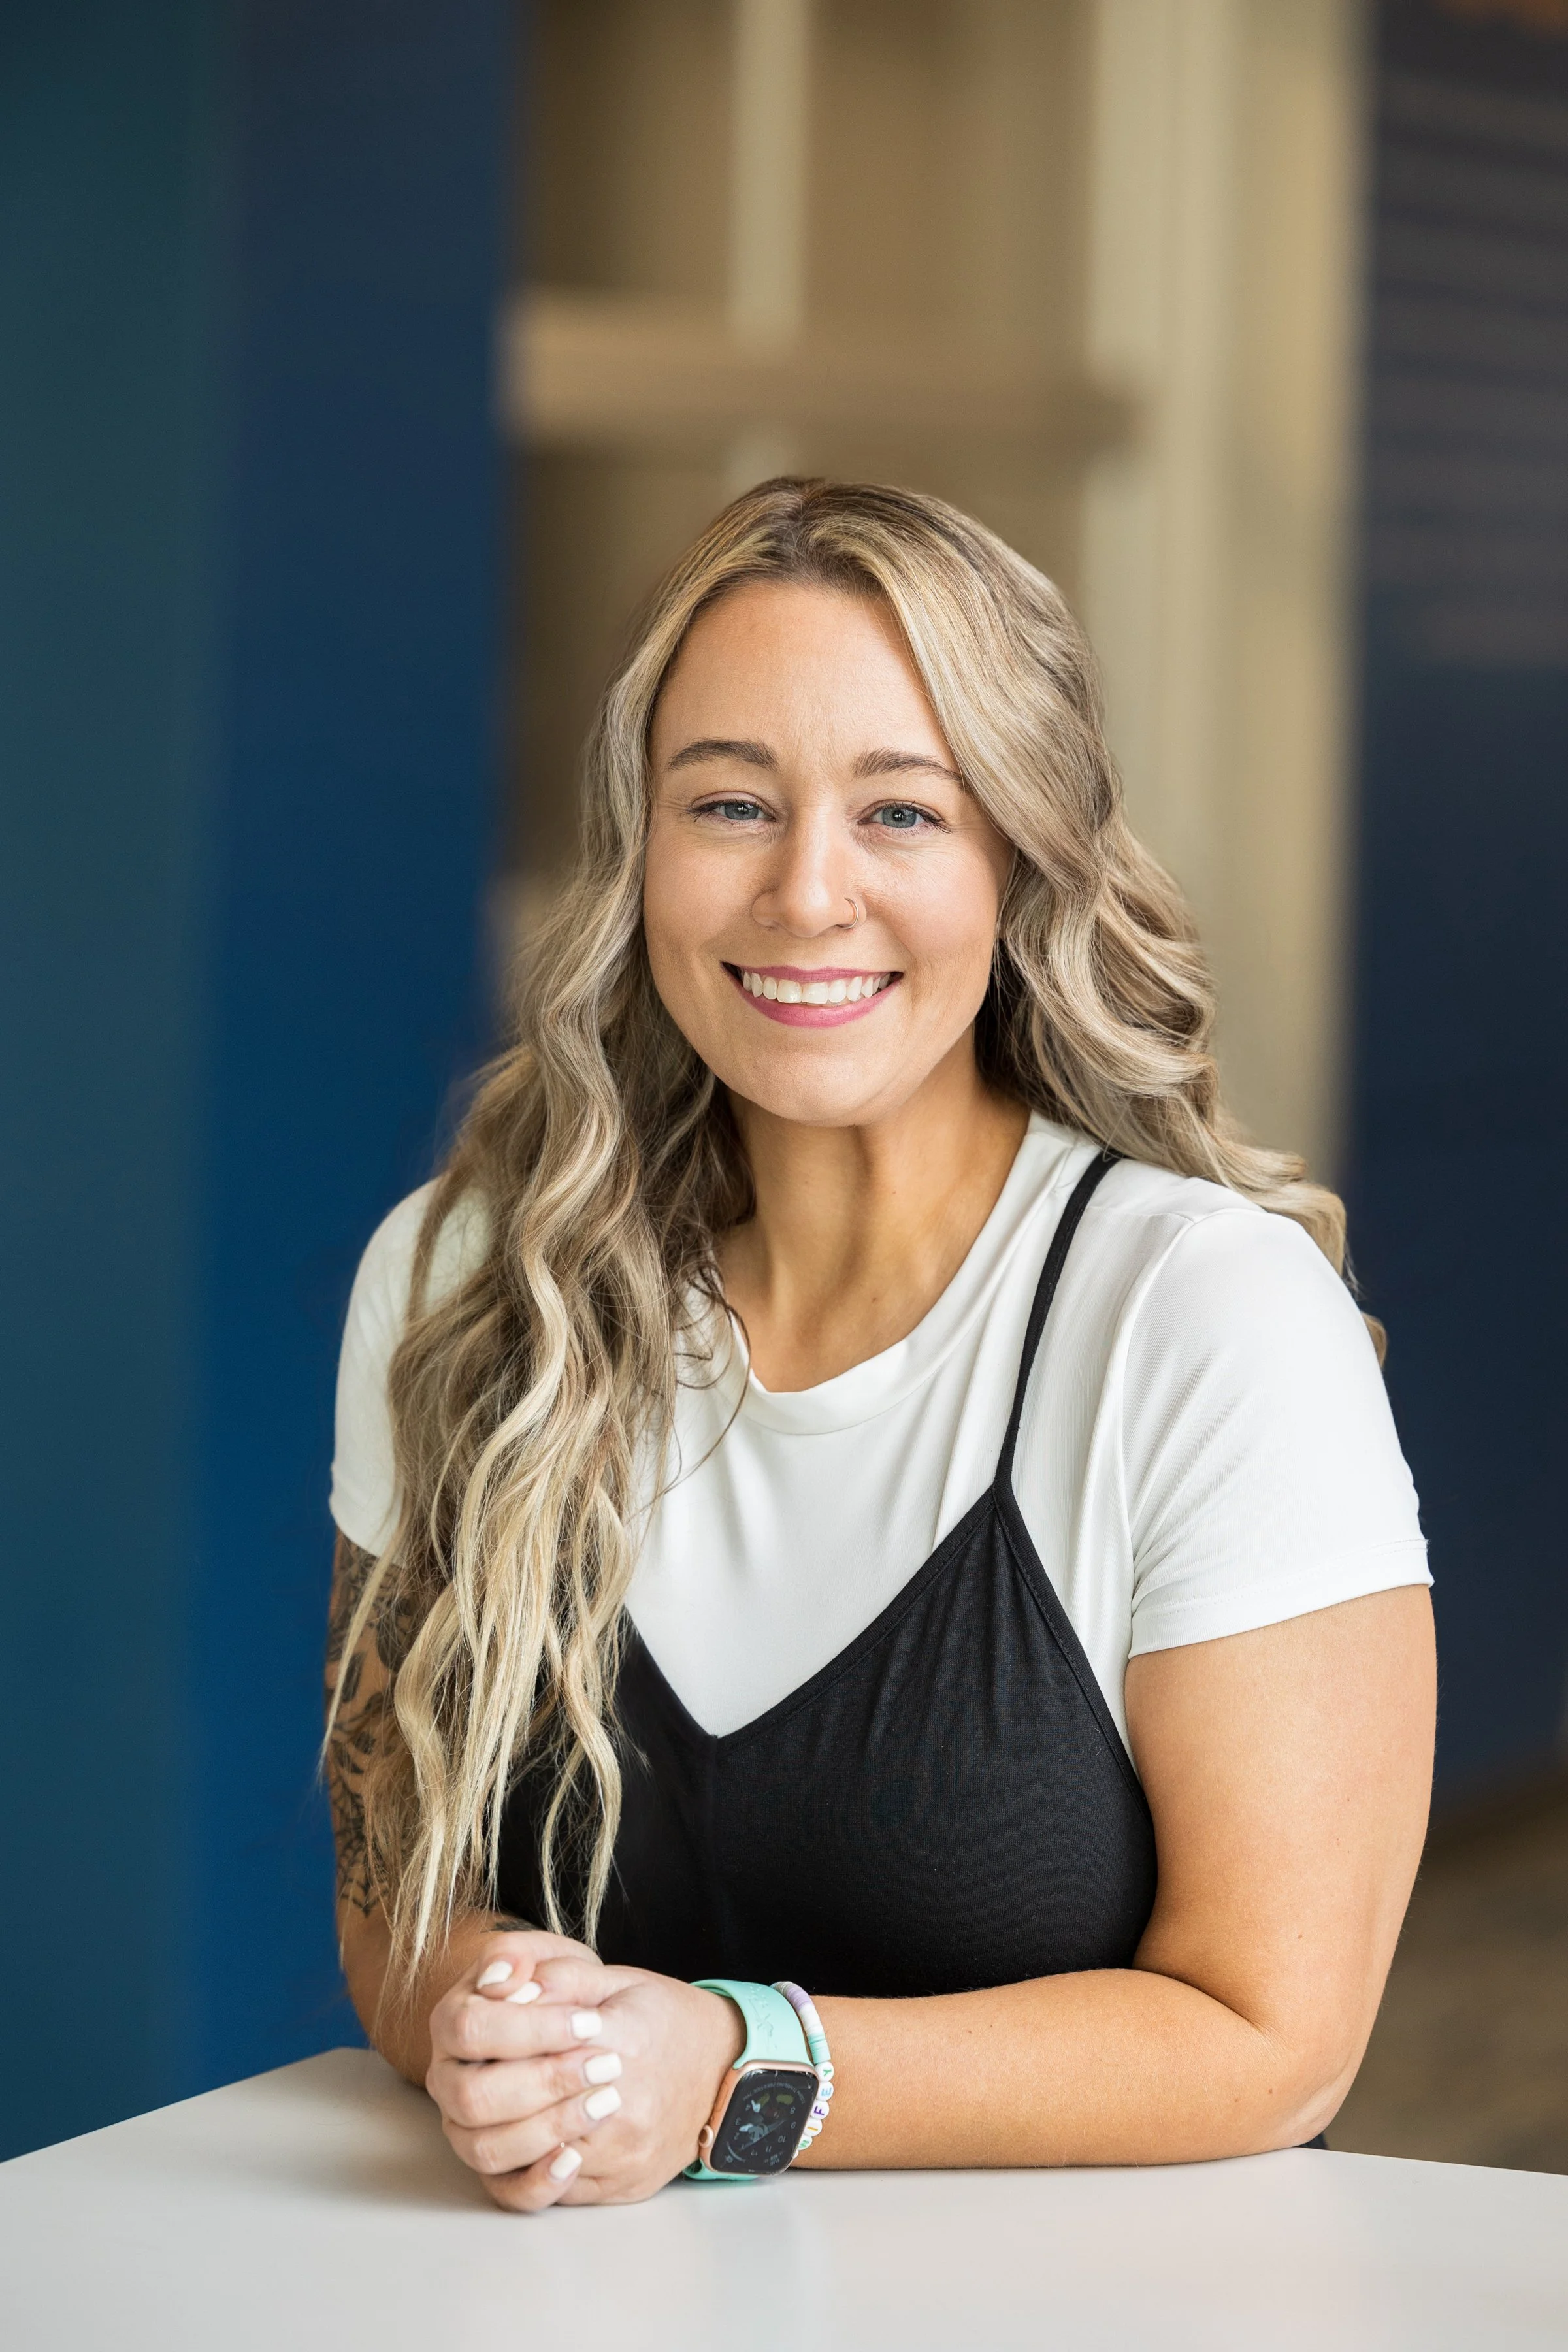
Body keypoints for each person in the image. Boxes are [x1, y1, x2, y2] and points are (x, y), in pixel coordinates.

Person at [325, 479, 1434, 2211]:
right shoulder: (469, 1285)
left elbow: (1274, 2031)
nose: (806, 892)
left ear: (1023, 853)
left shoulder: (1198, 1320)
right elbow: (397, 1884)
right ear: (641, 850)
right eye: (731, 804)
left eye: (902, 813)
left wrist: (730, 2073)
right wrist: (520, 2031)